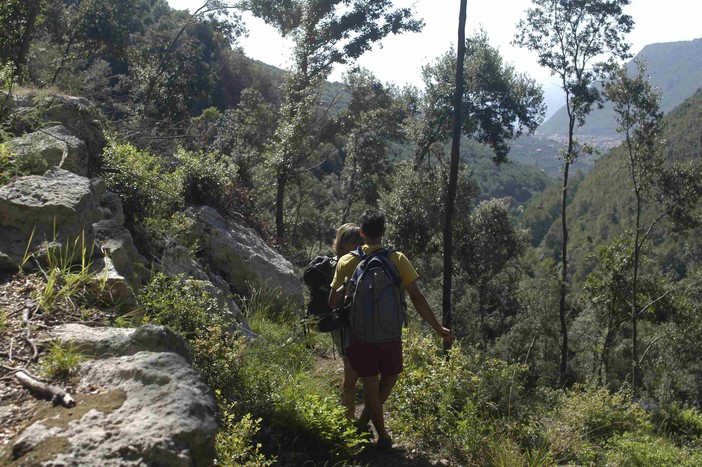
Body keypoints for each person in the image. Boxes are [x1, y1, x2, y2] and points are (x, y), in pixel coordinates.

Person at [328, 208, 451, 450]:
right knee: (391, 377)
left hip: (360, 336)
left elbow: (332, 301)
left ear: (361, 233)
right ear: (383, 232)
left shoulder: (346, 261)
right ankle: (375, 429)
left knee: (370, 383)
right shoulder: (398, 259)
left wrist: (346, 291)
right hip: (390, 334)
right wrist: (437, 327)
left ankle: (378, 432)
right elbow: (417, 297)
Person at [303, 223, 363, 421]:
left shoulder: (342, 263)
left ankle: (349, 417)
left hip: (341, 324)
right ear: (346, 244)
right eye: (357, 243)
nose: (360, 247)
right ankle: (348, 419)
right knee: (351, 371)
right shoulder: (344, 266)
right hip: (342, 324)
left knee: (352, 368)